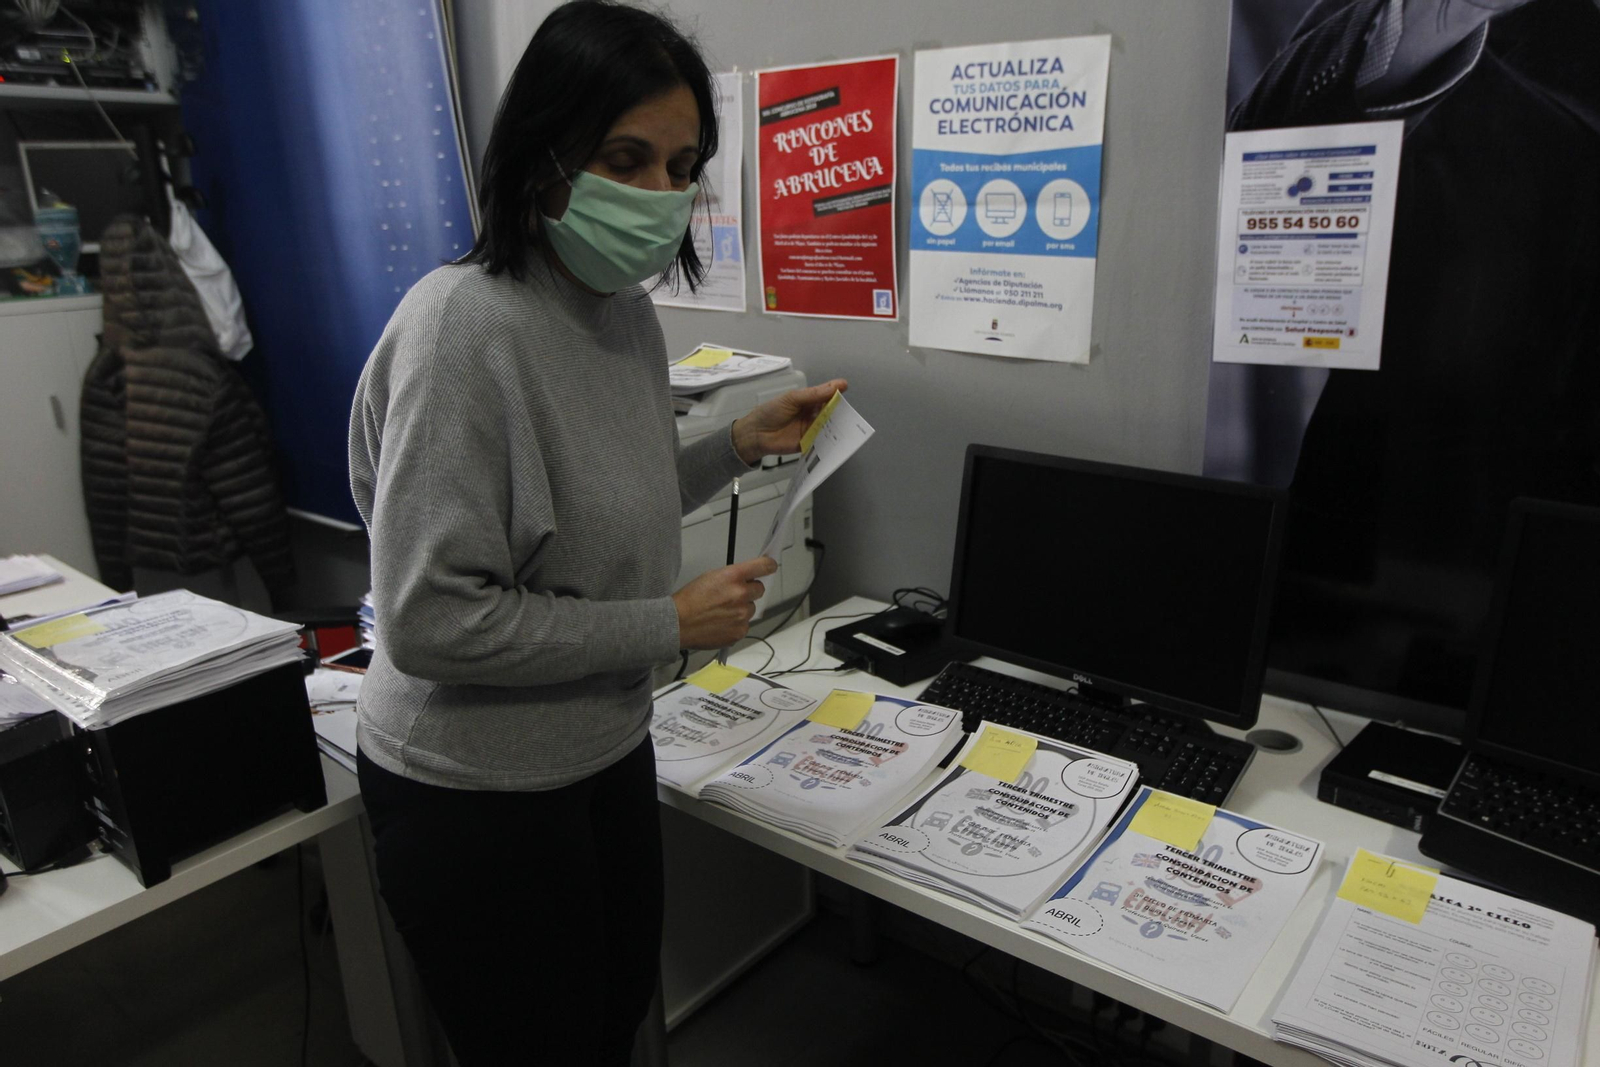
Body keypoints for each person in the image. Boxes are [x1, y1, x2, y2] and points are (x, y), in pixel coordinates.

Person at [346, 4, 845, 1063]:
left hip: (601, 743)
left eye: (682, 165)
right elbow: (431, 619)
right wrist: (661, 624)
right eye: (629, 157)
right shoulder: (462, 329)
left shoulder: (620, 307)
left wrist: (737, 443)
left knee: (612, 1013)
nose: (661, 193)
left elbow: (589, 499)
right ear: (545, 149)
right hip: (473, 788)